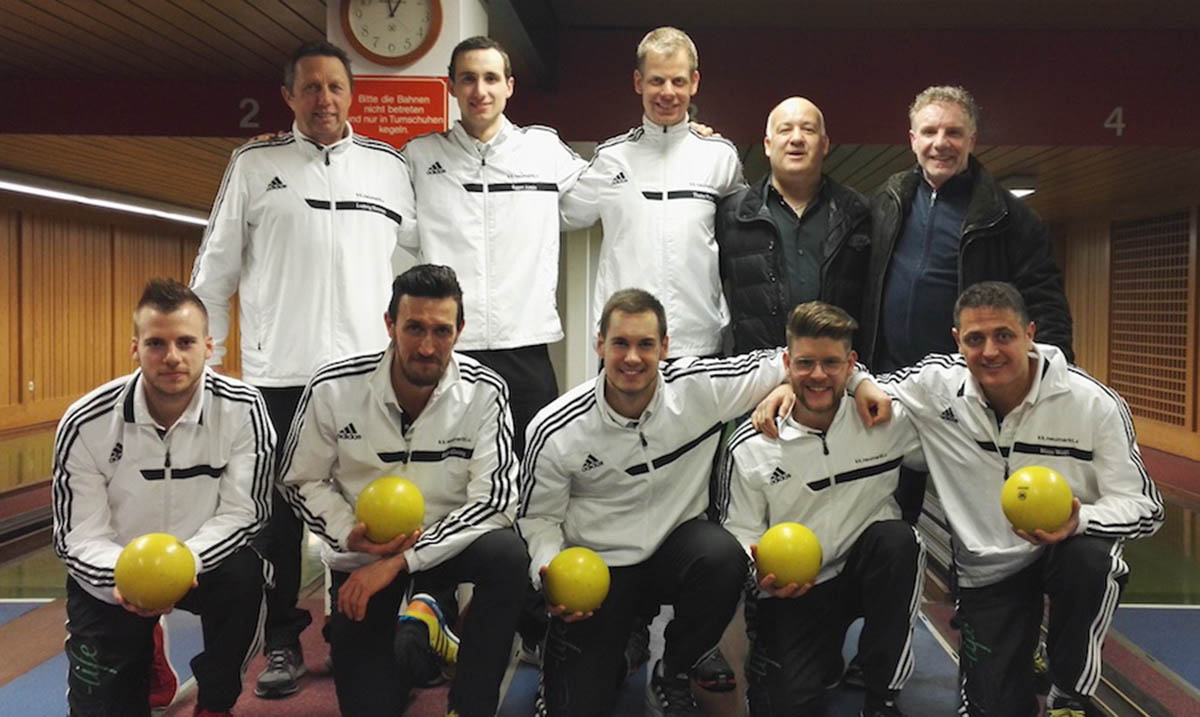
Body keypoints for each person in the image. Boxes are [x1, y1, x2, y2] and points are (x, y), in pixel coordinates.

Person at [189, 40, 417, 697]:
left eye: (335, 87)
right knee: (278, 522)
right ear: (288, 96)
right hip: (280, 376)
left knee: (370, 508)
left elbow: (413, 267)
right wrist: (209, 367)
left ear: (352, 95)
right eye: (311, 87)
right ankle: (283, 641)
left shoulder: (387, 167)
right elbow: (215, 270)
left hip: (368, 378)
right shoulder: (255, 164)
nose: (324, 99)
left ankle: (362, 629)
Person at [850, 281, 1163, 716]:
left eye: (1004, 335)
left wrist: (1079, 521)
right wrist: (825, 385)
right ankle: (1018, 648)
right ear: (957, 340)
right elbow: (851, 379)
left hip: (1065, 551)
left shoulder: (1092, 403)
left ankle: (1069, 692)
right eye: (975, 339)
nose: (990, 351)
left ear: (1030, 334)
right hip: (988, 568)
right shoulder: (936, 387)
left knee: (1091, 561)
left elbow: (1146, 508)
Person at [518, 288, 793, 717]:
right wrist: (550, 569)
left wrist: (792, 385)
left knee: (724, 558)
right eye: (620, 343)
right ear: (600, 345)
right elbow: (538, 518)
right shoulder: (555, 428)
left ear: (665, 347)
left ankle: (675, 670)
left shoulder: (699, 388)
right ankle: (623, 647)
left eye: (645, 344)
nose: (632, 357)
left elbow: (796, 357)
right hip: (599, 570)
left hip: (675, 554)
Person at [279, 264, 527, 717]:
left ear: (460, 331)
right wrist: (347, 532)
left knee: (508, 556)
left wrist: (402, 561)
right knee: (373, 703)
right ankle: (422, 632)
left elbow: (494, 500)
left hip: (449, 545)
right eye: (414, 328)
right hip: (364, 555)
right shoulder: (333, 388)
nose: (427, 347)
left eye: (441, 331)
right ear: (390, 324)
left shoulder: (485, 391)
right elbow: (299, 479)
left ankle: (469, 706)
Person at [52, 278, 273, 716]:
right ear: (135, 348)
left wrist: (181, 564)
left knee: (247, 573)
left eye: (185, 342)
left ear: (208, 347)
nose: (172, 356)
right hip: (116, 576)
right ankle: (146, 644)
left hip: (202, 564)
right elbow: (77, 537)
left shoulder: (243, 409)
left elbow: (244, 513)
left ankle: (216, 701)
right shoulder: (86, 422)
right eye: (156, 343)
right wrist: (127, 580)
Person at [719, 301, 923, 717]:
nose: (817, 375)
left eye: (831, 363)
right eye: (805, 363)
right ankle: (823, 658)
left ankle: (882, 694)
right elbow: (739, 532)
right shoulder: (752, 446)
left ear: (851, 364)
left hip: (866, 571)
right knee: (786, 704)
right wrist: (761, 573)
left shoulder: (886, 419)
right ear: (786, 364)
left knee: (900, 541)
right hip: (797, 588)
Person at [401, 36, 585, 459]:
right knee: (446, 467)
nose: (479, 90)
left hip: (526, 344)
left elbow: (607, 190)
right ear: (451, 86)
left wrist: (682, 135)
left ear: (509, 86)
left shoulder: (542, 150)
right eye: (468, 79)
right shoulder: (419, 156)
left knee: (533, 465)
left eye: (490, 78)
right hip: (448, 347)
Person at [561, 26, 745, 359]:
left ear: (694, 83)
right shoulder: (611, 159)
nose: (667, 92)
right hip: (625, 342)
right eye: (657, 80)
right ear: (638, 82)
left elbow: (746, 238)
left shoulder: (720, 157)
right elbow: (555, 212)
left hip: (699, 341)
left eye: (678, 81)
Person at [861, 85, 1073, 371]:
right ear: (913, 140)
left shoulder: (1011, 217)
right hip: (887, 380)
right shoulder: (885, 203)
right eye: (929, 132)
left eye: (953, 133)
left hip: (970, 383)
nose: (940, 143)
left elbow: (1046, 306)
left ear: (971, 141)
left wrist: (1054, 378)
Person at [716, 98, 871, 353]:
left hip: (834, 367)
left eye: (808, 129)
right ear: (768, 145)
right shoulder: (732, 215)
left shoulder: (857, 212)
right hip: (759, 369)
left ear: (824, 144)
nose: (796, 138)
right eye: (785, 129)